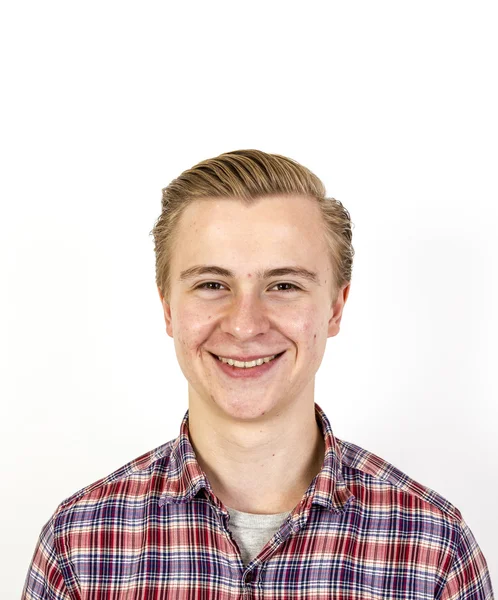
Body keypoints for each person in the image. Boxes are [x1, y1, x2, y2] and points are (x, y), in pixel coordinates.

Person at [22, 149, 494, 599]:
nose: (245, 324)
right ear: (168, 309)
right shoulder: (78, 548)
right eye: (211, 284)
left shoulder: (435, 550)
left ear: (335, 307)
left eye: (283, 285)